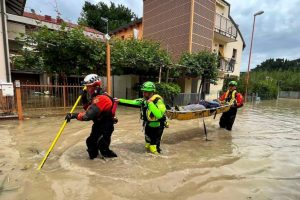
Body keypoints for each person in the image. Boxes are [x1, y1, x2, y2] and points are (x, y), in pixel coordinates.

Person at [65, 74, 118, 159]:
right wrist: (84, 97)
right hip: (98, 125)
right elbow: (88, 109)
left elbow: (87, 116)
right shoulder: (96, 97)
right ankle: (94, 163)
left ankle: (113, 163)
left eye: (88, 87)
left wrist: (74, 115)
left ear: (95, 86)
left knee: (103, 147)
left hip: (105, 127)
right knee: (90, 142)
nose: (87, 89)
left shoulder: (102, 99)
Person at [119, 81, 167, 155]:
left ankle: (157, 161)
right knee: (147, 144)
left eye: (146, 92)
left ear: (152, 92)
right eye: (143, 92)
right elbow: (132, 102)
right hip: (148, 125)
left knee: (154, 148)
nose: (144, 94)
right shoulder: (143, 101)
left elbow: (159, 115)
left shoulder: (159, 102)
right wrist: (119, 100)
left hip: (157, 127)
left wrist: (150, 103)